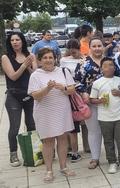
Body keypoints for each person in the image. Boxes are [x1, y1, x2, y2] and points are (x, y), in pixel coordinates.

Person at [28, 48, 76, 183]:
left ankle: (63, 167)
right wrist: (47, 88)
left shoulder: (63, 71)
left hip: (62, 110)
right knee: (48, 141)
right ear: (40, 60)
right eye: (45, 58)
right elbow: (35, 96)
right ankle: (49, 170)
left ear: (55, 58)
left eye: (50, 57)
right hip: (44, 112)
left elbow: (72, 90)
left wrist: (63, 88)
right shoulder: (35, 75)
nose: (48, 60)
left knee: (62, 139)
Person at [1, 32, 36, 167]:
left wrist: (28, 65)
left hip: (29, 95)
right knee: (14, 127)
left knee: (31, 124)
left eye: (17, 39)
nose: (15, 42)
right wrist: (23, 66)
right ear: (10, 43)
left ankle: (34, 150)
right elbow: (13, 76)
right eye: (12, 40)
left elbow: (35, 75)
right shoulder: (6, 57)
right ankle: (13, 153)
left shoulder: (29, 55)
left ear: (22, 41)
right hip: (13, 95)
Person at [90, 57, 120, 173]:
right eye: (106, 65)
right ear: (101, 68)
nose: (109, 67)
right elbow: (91, 99)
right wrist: (100, 101)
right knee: (108, 141)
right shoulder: (97, 82)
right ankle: (112, 162)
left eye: (111, 65)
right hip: (104, 117)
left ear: (114, 67)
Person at [75, 37, 104, 169]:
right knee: (94, 131)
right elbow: (76, 81)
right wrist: (83, 92)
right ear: (90, 48)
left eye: (99, 45)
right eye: (94, 46)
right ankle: (95, 158)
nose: (97, 48)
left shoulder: (110, 61)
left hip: (110, 101)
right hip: (91, 102)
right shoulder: (83, 63)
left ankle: (115, 156)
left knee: (112, 130)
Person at [60, 39, 83, 162]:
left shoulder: (64, 61)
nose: (72, 51)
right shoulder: (65, 60)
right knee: (73, 124)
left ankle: (72, 150)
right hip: (73, 92)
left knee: (72, 123)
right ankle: (74, 151)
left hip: (69, 92)